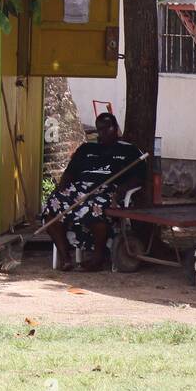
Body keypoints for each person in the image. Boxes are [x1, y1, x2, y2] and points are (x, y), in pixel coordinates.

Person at [42, 112, 147, 272]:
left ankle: (98, 257)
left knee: (96, 208)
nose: (102, 133)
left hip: (108, 190)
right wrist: (61, 186)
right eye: (99, 129)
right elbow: (70, 172)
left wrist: (120, 192)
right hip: (79, 189)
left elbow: (139, 178)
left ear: (115, 128)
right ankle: (65, 257)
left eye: (107, 129)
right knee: (52, 204)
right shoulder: (87, 148)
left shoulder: (129, 151)